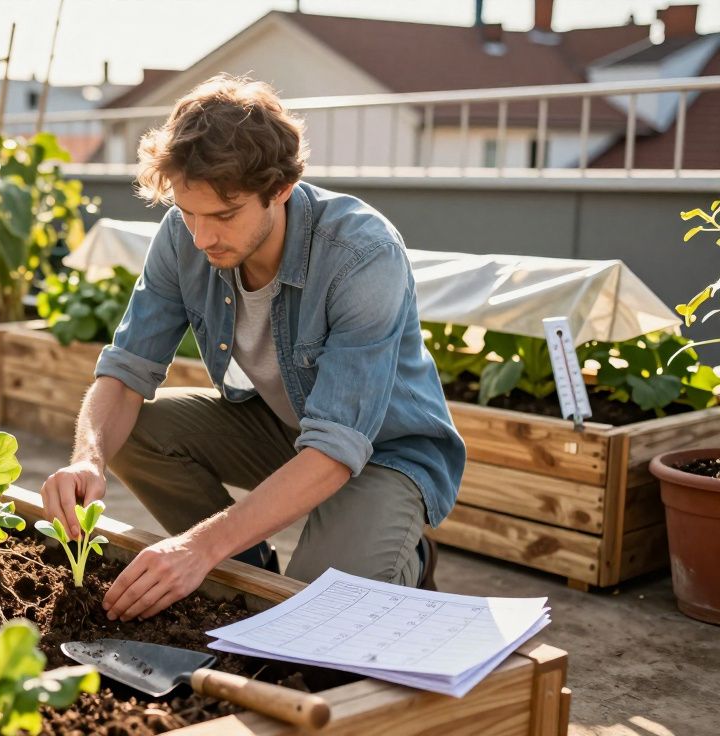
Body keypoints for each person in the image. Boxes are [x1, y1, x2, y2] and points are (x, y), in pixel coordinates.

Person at [40, 74, 466, 623]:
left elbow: (337, 447)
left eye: (223, 215)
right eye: (189, 212)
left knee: (315, 615)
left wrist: (197, 546)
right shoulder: (184, 235)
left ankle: (407, 553)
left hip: (386, 452)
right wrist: (87, 460)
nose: (201, 237)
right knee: (137, 434)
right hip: (287, 427)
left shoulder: (362, 255)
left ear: (281, 188)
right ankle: (246, 570)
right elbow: (124, 370)